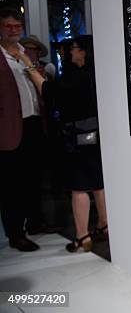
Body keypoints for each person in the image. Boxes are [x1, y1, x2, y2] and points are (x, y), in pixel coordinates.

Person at [18, 35, 109, 253]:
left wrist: (27, 64)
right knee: (98, 182)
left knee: (79, 188)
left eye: (74, 48)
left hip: (79, 137)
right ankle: (104, 225)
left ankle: (82, 236)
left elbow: (49, 92)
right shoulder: (96, 73)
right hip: (97, 136)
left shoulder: (76, 78)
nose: (70, 52)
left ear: (83, 51)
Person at [0, 9, 45, 252]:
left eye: (17, 26)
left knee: (33, 178)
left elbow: (40, 86)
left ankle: (35, 223)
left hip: (34, 123)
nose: (14, 30)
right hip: (9, 129)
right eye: (8, 26)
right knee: (11, 186)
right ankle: (16, 233)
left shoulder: (26, 55)